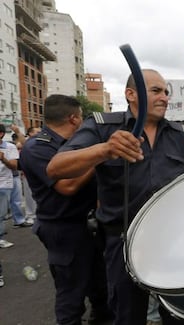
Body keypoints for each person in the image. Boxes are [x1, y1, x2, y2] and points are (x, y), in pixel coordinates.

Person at [47, 70, 184, 325]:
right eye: (156, 91)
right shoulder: (103, 126)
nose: (165, 98)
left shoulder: (179, 134)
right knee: (127, 315)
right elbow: (56, 167)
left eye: (166, 92)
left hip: (174, 242)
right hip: (122, 243)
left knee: (180, 312)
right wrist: (105, 149)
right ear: (131, 94)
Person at [19, 95, 111, 325]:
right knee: (71, 297)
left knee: (101, 290)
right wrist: (100, 155)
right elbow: (67, 186)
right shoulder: (37, 148)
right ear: (74, 118)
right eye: (80, 118)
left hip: (89, 226)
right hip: (63, 229)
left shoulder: (76, 147)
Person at [11, 125, 40, 224]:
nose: (39, 133)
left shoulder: (41, 141)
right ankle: (30, 215)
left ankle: (38, 214)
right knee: (29, 196)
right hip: (28, 173)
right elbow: (24, 143)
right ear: (30, 133)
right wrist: (18, 131)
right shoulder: (26, 142)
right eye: (36, 131)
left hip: (40, 173)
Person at [0, 124, 19, 248]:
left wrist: (3, 159)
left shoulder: (10, 147)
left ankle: (0, 238)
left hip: (3, 184)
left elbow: (14, 166)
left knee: (0, 214)